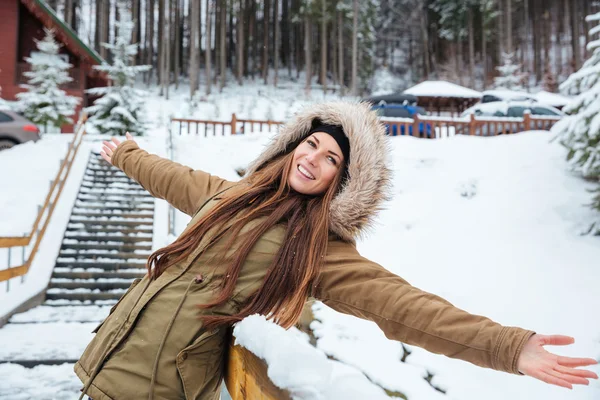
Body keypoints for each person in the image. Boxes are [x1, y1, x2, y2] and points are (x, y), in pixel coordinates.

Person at [76, 101, 597, 400]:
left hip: (160, 388)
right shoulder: (228, 195)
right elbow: (172, 177)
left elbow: (403, 306)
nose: (313, 160)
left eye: (331, 160)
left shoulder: (318, 250)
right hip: (107, 360)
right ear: (291, 145)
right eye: (311, 145)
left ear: (341, 182)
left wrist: (508, 347)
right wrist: (127, 155)